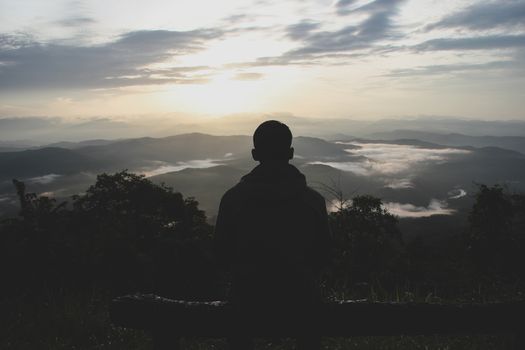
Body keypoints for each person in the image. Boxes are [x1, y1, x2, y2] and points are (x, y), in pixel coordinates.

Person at [214, 120, 331, 350]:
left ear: (254, 154)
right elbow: (324, 256)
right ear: (291, 153)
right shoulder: (313, 202)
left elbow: (221, 255)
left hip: (246, 303)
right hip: (302, 303)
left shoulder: (232, 200)